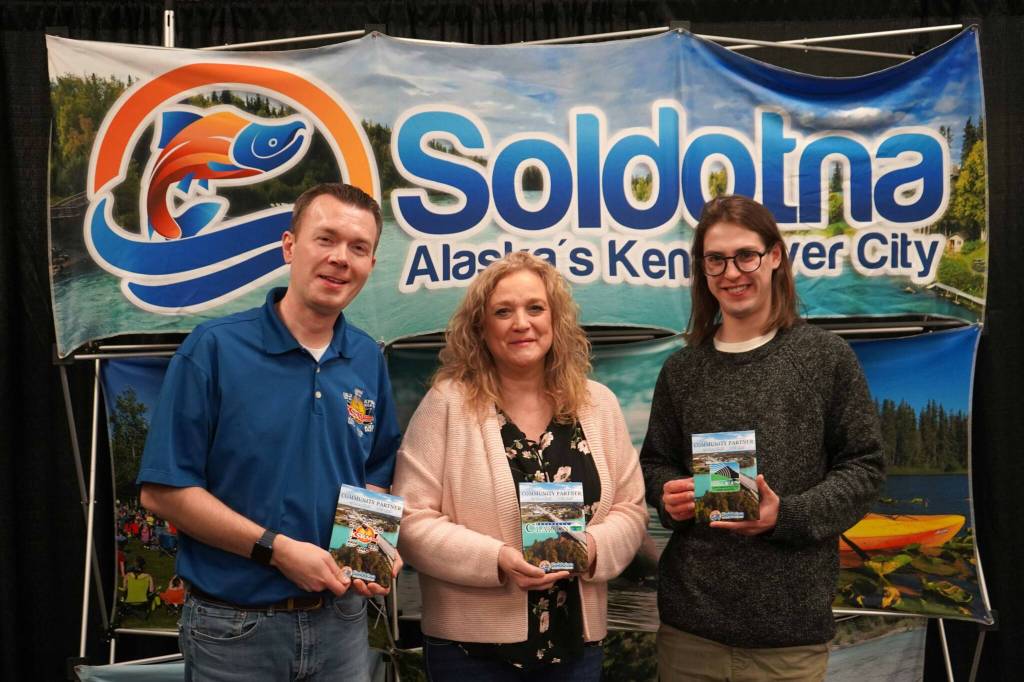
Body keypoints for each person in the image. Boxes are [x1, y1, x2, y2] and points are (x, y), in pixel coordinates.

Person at [137, 183, 402, 682]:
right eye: (325, 239)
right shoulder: (213, 350)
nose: (340, 259)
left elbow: (374, 474)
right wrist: (275, 549)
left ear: (370, 263)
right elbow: (163, 492)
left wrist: (367, 551)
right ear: (289, 246)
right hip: (234, 629)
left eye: (358, 247)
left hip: (342, 625)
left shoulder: (367, 357)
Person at [640, 195, 885, 681]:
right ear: (703, 269)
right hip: (691, 629)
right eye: (716, 259)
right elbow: (655, 464)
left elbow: (865, 468)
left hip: (788, 635)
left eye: (745, 255)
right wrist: (668, 495)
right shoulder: (682, 369)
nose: (732, 272)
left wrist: (785, 515)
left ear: (774, 256)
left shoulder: (825, 357)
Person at [393, 251, 648, 681]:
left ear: (556, 319)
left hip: (576, 647)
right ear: (481, 327)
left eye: (535, 308)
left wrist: (590, 548)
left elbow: (631, 510)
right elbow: (411, 520)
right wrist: (496, 560)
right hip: (470, 654)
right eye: (502, 311)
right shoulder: (447, 404)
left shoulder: (598, 403)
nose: (521, 323)